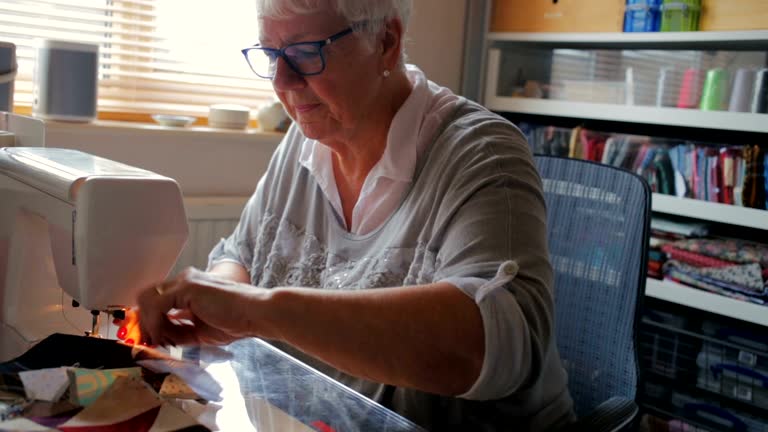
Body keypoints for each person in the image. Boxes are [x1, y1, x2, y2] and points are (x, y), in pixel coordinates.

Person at [137, 0, 575, 430]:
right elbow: (244, 255)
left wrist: (259, 311)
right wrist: (218, 300)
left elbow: (491, 346)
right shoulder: (307, 137)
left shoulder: (483, 154)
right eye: (271, 55)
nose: (283, 81)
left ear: (385, 41)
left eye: (305, 53)